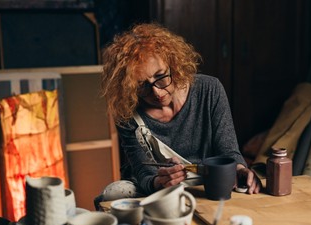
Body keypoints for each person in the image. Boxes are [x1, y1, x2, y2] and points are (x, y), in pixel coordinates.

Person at [100, 22, 261, 199]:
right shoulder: (127, 111)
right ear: (129, 87)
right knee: (112, 193)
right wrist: (158, 182)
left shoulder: (209, 90)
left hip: (205, 181)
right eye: (141, 86)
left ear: (173, 63)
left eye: (160, 77)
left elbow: (228, 152)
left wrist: (240, 169)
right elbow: (142, 172)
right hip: (156, 189)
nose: (157, 92)